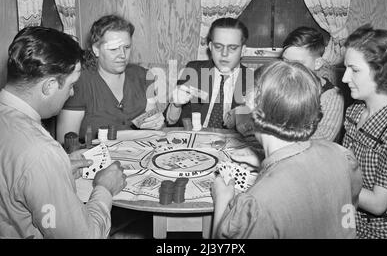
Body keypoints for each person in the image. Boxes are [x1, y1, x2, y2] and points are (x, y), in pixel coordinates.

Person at [212, 60, 362, 239]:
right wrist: (261, 160)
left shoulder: (256, 204)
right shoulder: (342, 156)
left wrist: (222, 202)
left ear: (253, 108)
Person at [0, 27, 126, 238]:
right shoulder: (42, 152)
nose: (72, 92)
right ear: (49, 86)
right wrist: (104, 188)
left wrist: (61, 167)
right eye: (71, 85)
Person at [57, 14, 164, 143]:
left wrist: (157, 122)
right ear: (96, 49)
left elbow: (153, 124)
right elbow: (66, 143)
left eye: (127, 47)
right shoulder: (79, 82)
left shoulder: (145, 76)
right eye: (113, 49)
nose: (122, 55)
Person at [342, 24, 387, 238]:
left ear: (381, 71)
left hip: (378, 230)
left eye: (354, 70)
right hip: (349, 217)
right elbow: (345, 165)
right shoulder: (354, 112)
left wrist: (328, 177)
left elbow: (378, 204)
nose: (345, 78)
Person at [166, 17, 254, 128]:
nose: (224, 53)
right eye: (218, 47)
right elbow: (171, 122)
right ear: (211, 47)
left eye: (232, 48)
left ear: (243, 51)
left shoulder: (255, 81)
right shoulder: (194, 70)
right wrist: (176, 105)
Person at [281, 27, 344, 141]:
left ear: (318, 63)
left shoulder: (331, 96)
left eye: (297, 63)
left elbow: (322, 139)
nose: (288, 69)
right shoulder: (279, 85)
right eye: (285, 61)